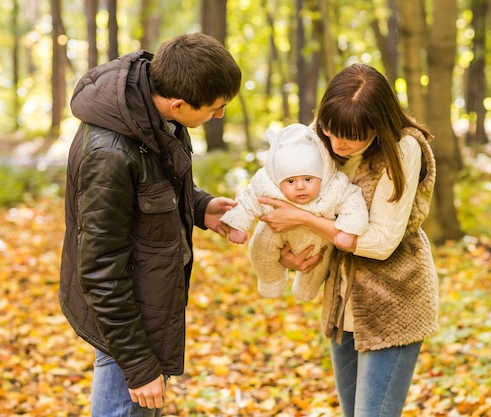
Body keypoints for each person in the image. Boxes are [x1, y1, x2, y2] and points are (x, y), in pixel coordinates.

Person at [58, 33, 242, 417]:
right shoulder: (109, 154)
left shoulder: (152, 113)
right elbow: (101, 272)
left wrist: (201, 205)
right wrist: (138, 367)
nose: (220, 115)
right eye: (216, 108)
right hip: (125, 323)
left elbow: (154, 184)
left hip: (150, 304)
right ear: (178, 103)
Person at [258, 63, 439, 417]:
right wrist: (287, 254)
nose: (338, 143)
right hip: (343, 303)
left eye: (352, 135)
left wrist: (302, 218)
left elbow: (380, 241)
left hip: (393, 303)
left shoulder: (402, 149)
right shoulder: (320, 138)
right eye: (331, 130)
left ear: (378, 126)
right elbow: (278, 192)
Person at [220, 123, 368, 301]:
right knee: (261, 250)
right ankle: (270, 280)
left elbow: (353, 202)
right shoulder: (268, 187)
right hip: (276, 235)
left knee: (318, 265)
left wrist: (348, 230)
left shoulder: (334, 187)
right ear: (278, 180)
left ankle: (307, 290)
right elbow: (247, 200)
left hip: (318, 242)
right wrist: (238, 225)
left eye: (308, 179)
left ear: (322, 175)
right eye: (290, 181)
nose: (300, 187)